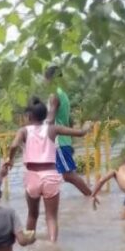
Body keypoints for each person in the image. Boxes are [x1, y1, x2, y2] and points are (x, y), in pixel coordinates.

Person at [1, 98, 88, 243]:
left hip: (32, 176)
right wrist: (86, 127)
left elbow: (13, 146)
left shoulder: (23, 131)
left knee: (32, 215)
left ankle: (30, 245)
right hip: (50, 175)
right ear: (44, 115)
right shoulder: (52, 129)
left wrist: (9, 159)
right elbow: (80, 133)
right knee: (51, 216)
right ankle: (53, 246)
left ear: (28, 116)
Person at [44, 65, 95, 196]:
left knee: (68, 175)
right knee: (53, 173)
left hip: (58, 141)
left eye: (46, 80)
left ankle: (91, 196)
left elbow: (50, 119)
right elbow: (69, 120)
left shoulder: (54, 95)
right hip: (64, 140)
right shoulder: (63, 94)